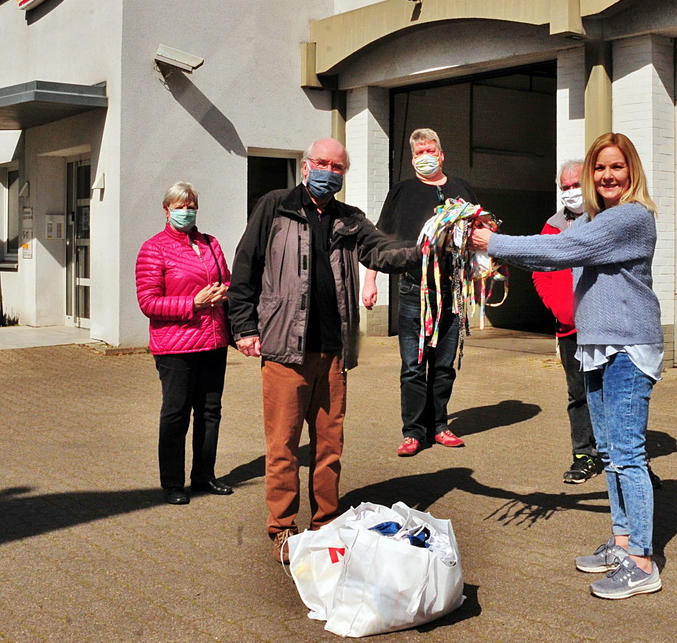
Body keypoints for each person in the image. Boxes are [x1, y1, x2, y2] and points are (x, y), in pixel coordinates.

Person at [470, 132, 664, 600]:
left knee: (629, 456)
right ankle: (622, 542)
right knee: (610, 455)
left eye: (616, 167)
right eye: (600, 169)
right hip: (597, 346)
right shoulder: (600, 219)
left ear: (632, 171)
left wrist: (491, 242)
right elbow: (557, 244)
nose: (607, 176)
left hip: (625, 349)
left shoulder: (631, 219)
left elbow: (560, 252)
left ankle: (642, 560)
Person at [227, 138, 417, 563]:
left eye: (338, 166)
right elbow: (246, 266)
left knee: (329, 448)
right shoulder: (275, 206)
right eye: (322, 163)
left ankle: (326, 523)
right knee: (283, 447)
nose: (329, 171)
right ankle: (282, 528)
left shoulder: (349, 219)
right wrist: (242, 327)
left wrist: (427, 251)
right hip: (284, 349)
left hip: (334, 352)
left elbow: (382, 251)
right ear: (306, 165)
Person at [362, 129, 478, 457]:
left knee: (443, 365)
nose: (423, 157)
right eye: (416, 154)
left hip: (451, 291)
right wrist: (370, 281)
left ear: (441, 155)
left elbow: (479, 231)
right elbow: (381, 238)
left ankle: (439, 424)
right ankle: (413, 431)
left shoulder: (461, 189)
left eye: (428, 151)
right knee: (413, 364)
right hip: (415, 289)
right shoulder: (402, 192)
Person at [135, 182, 233, 506]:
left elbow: (227, 280)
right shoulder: (154, 249)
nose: (186, 211)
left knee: (210, 412)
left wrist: (222, 292)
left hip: (213, 341)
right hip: (175, 346)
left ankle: (204, 475)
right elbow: (148, 302)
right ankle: (173, 483)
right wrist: (194, 303)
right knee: (176, 414)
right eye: (179, 205)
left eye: (190, 205)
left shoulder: (210, 243)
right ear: (166, 210)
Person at [531, 160, 601, 485]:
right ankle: (584, 454)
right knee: (579, 393)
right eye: (565, 187)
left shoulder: (606, 219)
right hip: (570, 328)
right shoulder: (552, 226)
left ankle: (624, 458)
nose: (571, 192)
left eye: (576, 185)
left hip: (604, 327)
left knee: (612, 392)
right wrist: (561, 309)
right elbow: (541, 271)